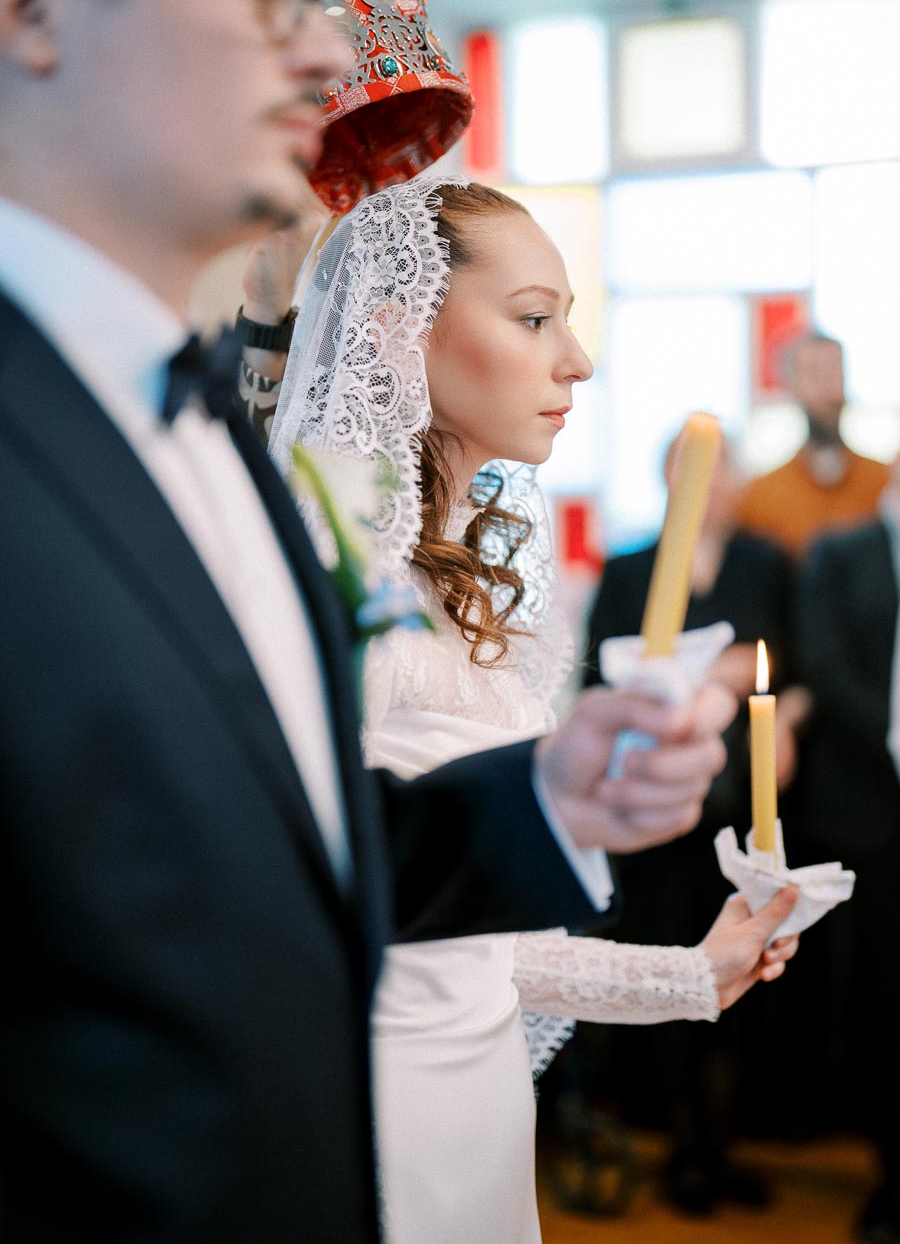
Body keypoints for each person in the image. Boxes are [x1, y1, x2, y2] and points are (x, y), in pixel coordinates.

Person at [0, 0, 741, 1240]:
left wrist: (547, 801)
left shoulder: (214, 435)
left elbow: (311, 849)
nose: (316, 45)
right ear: (30, 3)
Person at [257, 176, 800, 1244]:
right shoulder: (329, 576)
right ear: (394, 325)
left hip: (480, 1101)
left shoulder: (475, 604)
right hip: (374, 1100)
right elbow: (321, 896)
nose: (577, 363)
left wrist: (691, 976)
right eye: (535, 318)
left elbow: (482, 949)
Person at [582, 428, 806, 1214]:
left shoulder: (765, 562)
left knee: (751, 970)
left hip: (750, 795)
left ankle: (724, 1143)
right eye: (690, 468)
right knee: (676, 956)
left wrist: (775, 713)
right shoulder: (629, 567)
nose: (708, 484)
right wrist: (722, 666)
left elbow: (789, 670)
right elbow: (606, 668)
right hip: (657, 801)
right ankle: (680, 1143)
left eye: (719, 469)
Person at [794, 457, 900, 1243]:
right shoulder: (840, 549)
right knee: (880, 1000)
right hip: (870, 809)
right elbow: (825, 665)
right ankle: (890, 1178)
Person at [736, 332, 888, 559]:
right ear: (791, 386)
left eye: (834, 370)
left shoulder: (882, 483)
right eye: (813, 373)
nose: (827, 386)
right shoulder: (760, 497)